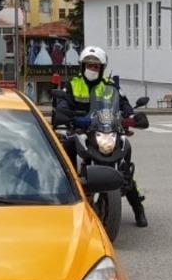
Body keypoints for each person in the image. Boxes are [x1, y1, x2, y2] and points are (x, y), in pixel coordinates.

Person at [54, 46, 150, 228]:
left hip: (106, 130)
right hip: (82, 132)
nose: (93, 69)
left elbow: (124, 105)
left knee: (125, 158)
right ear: (82, 66)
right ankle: (64, 196)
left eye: (96, 66)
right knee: (66, 151)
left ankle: (138, 207)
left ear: (102, 68)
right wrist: (69, 117)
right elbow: (63, 106)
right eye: (89, 65)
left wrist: (130, 117)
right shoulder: (73, 85)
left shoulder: (110, 86)